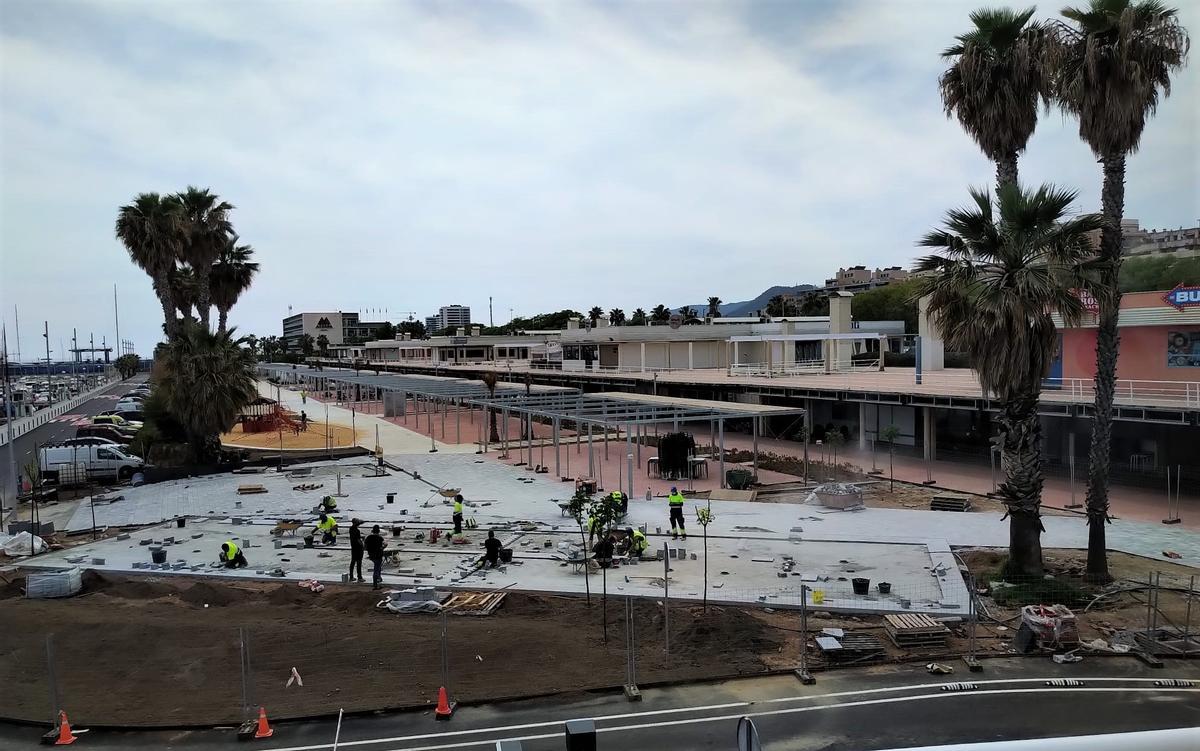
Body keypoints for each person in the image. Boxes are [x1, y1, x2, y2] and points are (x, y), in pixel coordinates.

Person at [365, 524, 386, 589]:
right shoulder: (380, 538)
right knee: (376, 569)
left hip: (371, 555)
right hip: (378, 555)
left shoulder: (368, 537)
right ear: (378, 531)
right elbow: (385, 544)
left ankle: (379, 578)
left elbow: (365, 547)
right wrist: (382, 548)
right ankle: (375, 584)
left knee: (377, 566)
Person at [348, 518, 365, 583]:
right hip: (358, 548)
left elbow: (355, 537)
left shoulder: (351, 529)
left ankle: (351, 577)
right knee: (359, 562)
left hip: (353, 547)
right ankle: (359, 577)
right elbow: (358, 540)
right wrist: (362, 546)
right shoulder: (357, 531)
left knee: (353, 562)